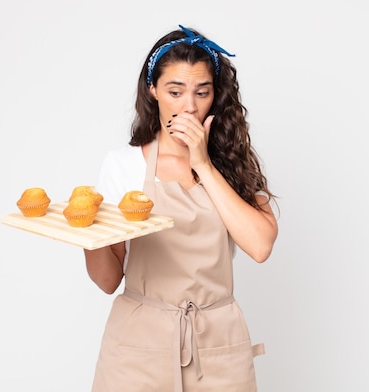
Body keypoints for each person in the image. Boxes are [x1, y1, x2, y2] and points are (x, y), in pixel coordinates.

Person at [84, 24, 278, 392]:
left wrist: (203, 164)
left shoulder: (232, 164)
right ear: (153, 90)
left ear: (214, 96)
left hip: (216, 345)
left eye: (201, 92)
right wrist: (86, 233)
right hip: (138, 348)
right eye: (175, 91)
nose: (189, 106)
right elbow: (108, 281)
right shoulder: (123, 166)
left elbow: (260, 246)